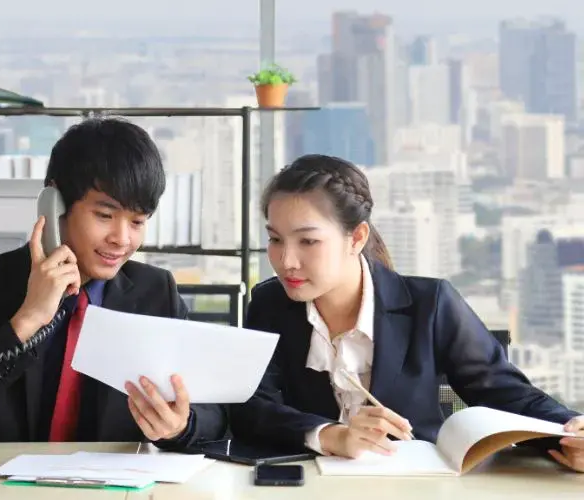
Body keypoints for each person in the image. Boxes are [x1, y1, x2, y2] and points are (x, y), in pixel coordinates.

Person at [229, 154, 584, 472]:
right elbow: (251, 406)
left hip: (420, 485)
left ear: (357, 238)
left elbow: (505, 393)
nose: (286, 261)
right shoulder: (270, 304)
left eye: (308, 241)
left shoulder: (431, 303)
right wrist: (331, 435)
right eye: (275, 239)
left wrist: (569, 431)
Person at [0, 117, 227, 448]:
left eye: (137, 222)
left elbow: (216, 414)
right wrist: (27, 321)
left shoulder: (155, 292)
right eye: (104, 216)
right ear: (56, 204)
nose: (122, 239)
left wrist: (179, 426)